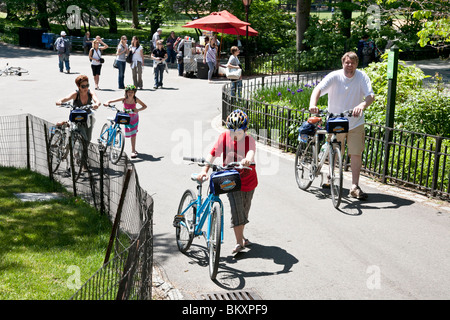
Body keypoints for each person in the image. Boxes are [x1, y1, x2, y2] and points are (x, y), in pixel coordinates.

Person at [309, 51, 375, 200]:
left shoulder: (362, 77)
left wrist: (362, 105)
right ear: (342, 63)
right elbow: (317, 89)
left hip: (355, 122)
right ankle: (331, 177)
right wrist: (313, 104)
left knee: (356, 153)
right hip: (336, 119)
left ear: (356, 64)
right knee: (334, 150)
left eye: (352, 63)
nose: (349, 65)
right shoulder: (335, 76)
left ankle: (354, 186)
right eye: (347, 62)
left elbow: (370, 96)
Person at [197, 109, 258, 254]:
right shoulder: (224, 137)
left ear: (245, 130)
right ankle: (239, 243)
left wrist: (248, 159)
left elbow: (251, 151)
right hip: (231, 179)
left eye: (239, 132)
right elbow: (213, 153)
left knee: (244, 211)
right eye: (232, 132)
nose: (235, 135)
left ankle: (241, 236)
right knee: (237, 209)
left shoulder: (250, 140)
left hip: (248, 180)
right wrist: (205, 169)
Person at [104, 85, 147, 159]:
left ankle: (133, 150)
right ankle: (109, 143)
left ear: (134, 93)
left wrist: (138, 110)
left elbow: (144, 106)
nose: (130, 93)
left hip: (134, 118)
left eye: (132, 92)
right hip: (126, 118)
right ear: (126, 92)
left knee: (133, 133)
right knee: (118, 126)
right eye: (129, 92)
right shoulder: (124, 99)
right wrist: (108, 102)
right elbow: (112, 100)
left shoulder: (135, 99)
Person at [55, 75, 100, 144]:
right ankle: (80, 152)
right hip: (77, 118)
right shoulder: (76, 94)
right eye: (83, 86)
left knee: (88, 139)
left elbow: (97, 100)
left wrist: (96, 104)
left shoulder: (90, 92)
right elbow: (65, 99)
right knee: (83, 137)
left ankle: (79, 152)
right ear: (78, 86)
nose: (86, 88)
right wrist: (60, 102)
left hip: (87, 118)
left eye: (87, 85)